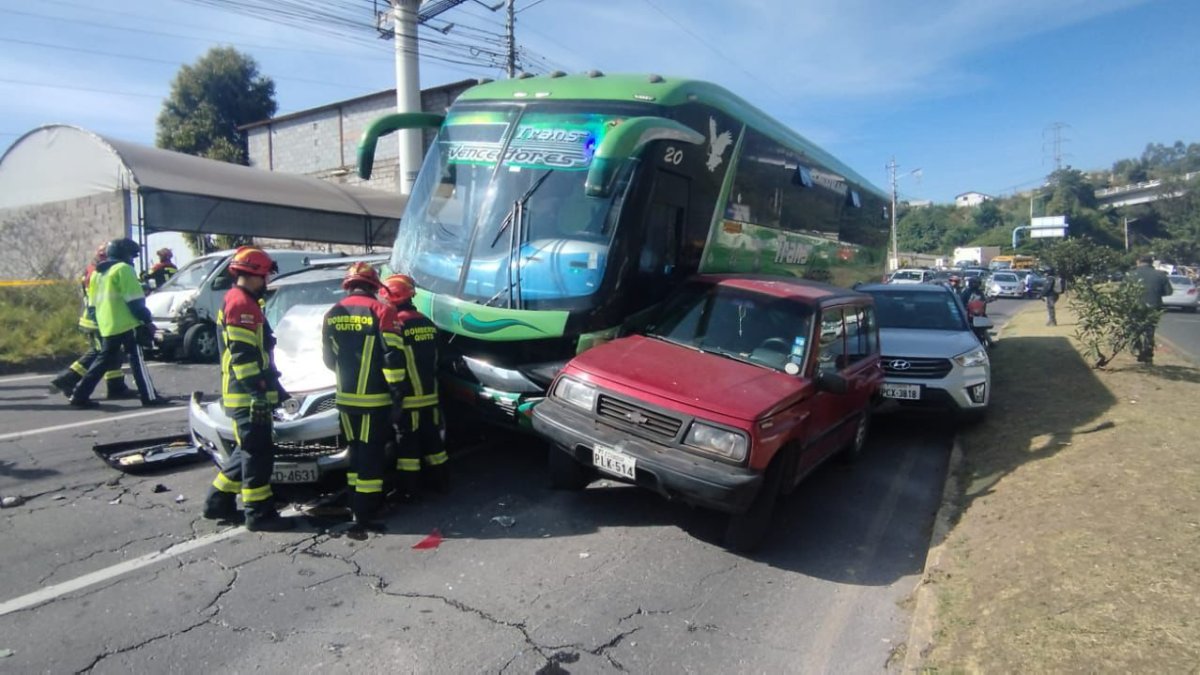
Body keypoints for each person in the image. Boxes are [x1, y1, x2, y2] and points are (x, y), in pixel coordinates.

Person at [201, 246, 295, 531]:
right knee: (258, 455)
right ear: (254, 275)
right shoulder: (242, 304)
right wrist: (257, 394)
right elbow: (243, 357)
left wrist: (276, 389)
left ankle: (217, 501)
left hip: (247, 393)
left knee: (247, 451)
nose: (267, 281)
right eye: (265, 275)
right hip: (247, 396)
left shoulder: (240, 300)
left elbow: (258, 353)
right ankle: (258, 513)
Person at [322, 262, 408, 529]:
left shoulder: (332, 313)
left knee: (356, 452)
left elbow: (328, 359)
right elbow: (393, 358)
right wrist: (397, 395)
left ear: (348, 285)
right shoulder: (383, 311)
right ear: (374, 286)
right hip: (375, 400)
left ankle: (354, 503)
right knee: (371, 455)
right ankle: (367, 511)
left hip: (346, 400)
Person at [67, 238, 165, 408]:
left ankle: (79, 395)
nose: (132, 260)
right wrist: (147, 321)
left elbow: (92, 305)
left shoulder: (97, 273)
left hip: (107, 326)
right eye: (132, 256)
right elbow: (135, 302)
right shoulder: (124, 270)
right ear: (124, 254)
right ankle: (149, 397)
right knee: (137, 360)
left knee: (102, 361)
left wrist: (100, 323)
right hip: (127, 323)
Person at [381, 274, 450, 498]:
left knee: (407, 448)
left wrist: (394, 398)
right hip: (431, 397)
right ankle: (441, 483)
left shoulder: (396, 326)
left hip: (408, 400)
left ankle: (409, 491)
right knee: (434, 444)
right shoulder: (427, 323)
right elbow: (440, 358)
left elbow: (392, 362)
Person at [49, 245, 132, 399]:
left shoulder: (93, 269)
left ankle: (116, 386)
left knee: (109, 353)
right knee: (102, 353)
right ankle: (68, 379)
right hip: (98, 319)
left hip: (96, 318)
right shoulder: (99, 272)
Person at [1128, 255, 1173, 364]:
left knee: (1134, 329)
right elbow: (1169, 292)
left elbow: (1124, 291)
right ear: (1151, 262)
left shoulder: (1131, 274)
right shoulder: (1160, 275)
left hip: (1135, 307)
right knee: (1149, 331)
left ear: (1138, 262)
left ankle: (1138, 348)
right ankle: (1148, 354)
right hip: (1154, 307)